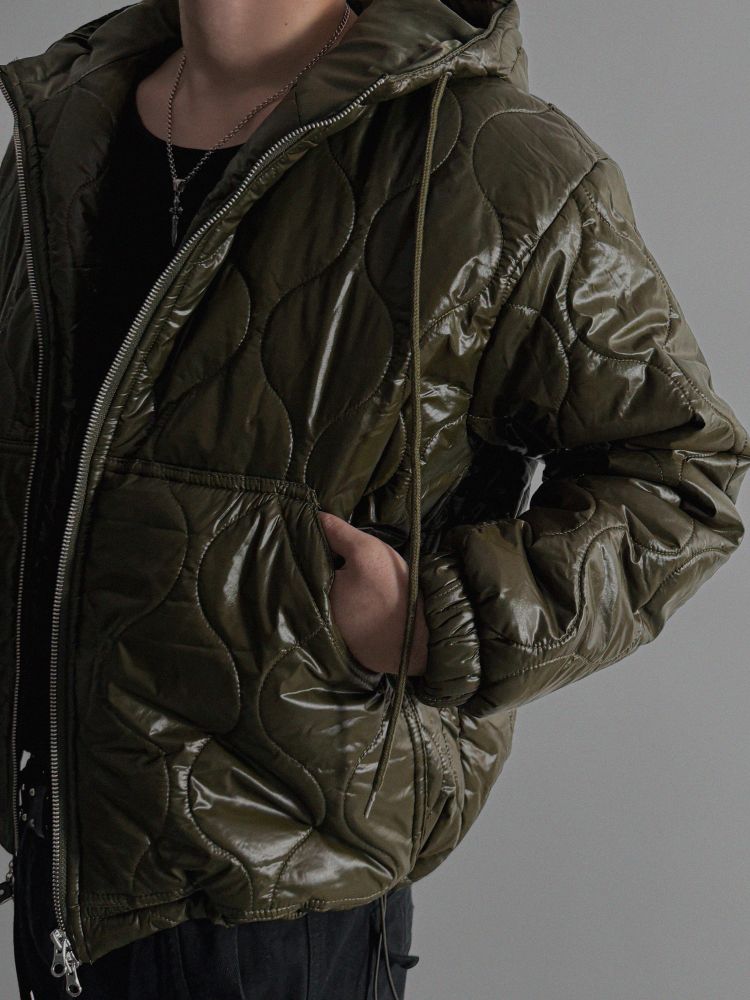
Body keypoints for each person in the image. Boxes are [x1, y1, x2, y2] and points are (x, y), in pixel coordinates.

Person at [0, 0, 747, 997]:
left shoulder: (497, 163)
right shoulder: (67, 125)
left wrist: (441, 618)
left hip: (278, 897)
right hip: (65, 861)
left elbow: (684, 473)